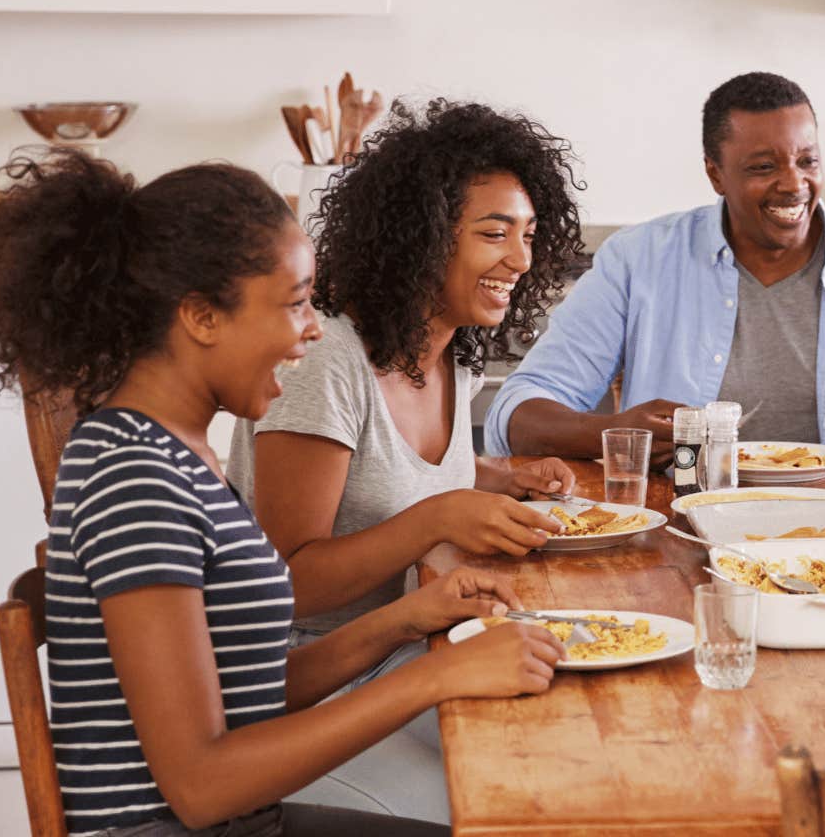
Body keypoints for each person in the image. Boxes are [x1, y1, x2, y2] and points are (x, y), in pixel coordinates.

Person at [0, 152, 562, 837]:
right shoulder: (134, 478)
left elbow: (245, 692)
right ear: (201, 316)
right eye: (294, 303)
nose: (314, 329)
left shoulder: (176, 452)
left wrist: (405, 619)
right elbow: (200, 786)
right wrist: (431, 679)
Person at [487, 71, 825, 459]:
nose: (794, 184)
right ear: (715, 174)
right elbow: (515, 414)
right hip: (684, 524)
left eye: (807, 160)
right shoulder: (639, 261)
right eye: (763, 166)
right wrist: (611, 433)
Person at [229, 99, 588, 639]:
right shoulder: (325, 359)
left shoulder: (450, 347)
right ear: (422, 238)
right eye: (495, 234)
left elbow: (382, 474)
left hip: (413, 639)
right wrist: (439, 518)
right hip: (311, 668)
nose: (522, 259)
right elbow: (288, 583)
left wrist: (503, 479)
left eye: (529, 235)